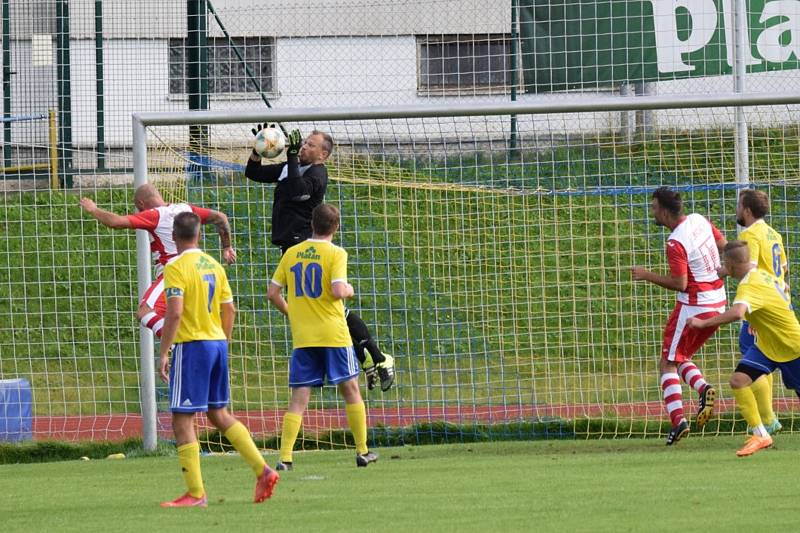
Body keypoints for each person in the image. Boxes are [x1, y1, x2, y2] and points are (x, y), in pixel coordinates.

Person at [246, 125, 394, 390]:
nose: (303, 146)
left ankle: (377, 357)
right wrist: (258, 149)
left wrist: (291, 157)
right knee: (325, 310)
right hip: (290, 248)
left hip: (307, 246)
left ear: (322, 155)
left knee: (330, 308)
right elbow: (253, 172)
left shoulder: (318, 173)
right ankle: (370, 356)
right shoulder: (289, 168)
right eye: (303, 143)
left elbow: (298, 192)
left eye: (310, 145)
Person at [158, 211, 278, 507]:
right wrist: (223, 343)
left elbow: (174, 312)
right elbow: (230, 310)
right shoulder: (214, 265)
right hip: (216, 344)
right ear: (199, 234)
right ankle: (262, 470)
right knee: (218, 413)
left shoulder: (175, 267)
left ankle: (196, 494)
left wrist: (163, 352)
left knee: (182, 420)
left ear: (174, 237)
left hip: (192, 346)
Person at [267, 203, 378, 470]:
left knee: (299, 397)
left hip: (304, 336)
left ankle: (285, 457)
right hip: (333, 334)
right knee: (350, 390)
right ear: (335, 227)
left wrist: (293, 313)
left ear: (311, 224)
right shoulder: (336, 253)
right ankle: (362, 451)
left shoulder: (292, 253)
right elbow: (339, 290)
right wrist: (349, 289)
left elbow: (272, 293)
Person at [631, 186, 727, 445]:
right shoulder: (699, 219)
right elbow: (724, 245)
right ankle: (703, 388)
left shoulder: (675, 242)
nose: (651, 212)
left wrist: (646, 274)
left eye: (653, 208)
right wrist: (720, 272)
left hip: (693, 306)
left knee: (667, 363)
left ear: (663, 211)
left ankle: (679, 422)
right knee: (680, 355)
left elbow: (680, 283)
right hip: (718, 301)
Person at [687, 241, 800, 456]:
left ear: (731, 265)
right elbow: (784, 287)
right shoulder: (763, 274)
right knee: (738, 380)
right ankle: (761, 436)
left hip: (792, 346)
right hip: (767, 346)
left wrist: (702, 323)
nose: (723, 268)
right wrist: (761, 319)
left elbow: (738, 313)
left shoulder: (748, 284)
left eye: (724, 264)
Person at [79, 184, 236, 338]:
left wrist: (93, 209)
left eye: (139, 208)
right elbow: (220, 217)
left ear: (141, 204)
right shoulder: (186, 209)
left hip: (174, 271)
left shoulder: (155, 215)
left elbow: (116, 222)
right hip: (200, 270)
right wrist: (227, 247)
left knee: (145, 312)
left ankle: (177, 342)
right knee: (188, 315)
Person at [722, 189, 787, 436]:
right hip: (779, 303)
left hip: (761, 307)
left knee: (752, 361)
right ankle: (767, 419)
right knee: (760, 359)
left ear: (747, 210)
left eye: (738, 205)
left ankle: (767, 421)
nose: (737, 210)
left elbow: (749, 267)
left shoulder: (750, 234)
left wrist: (720, 271)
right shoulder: (774, 233)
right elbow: (783, 269)